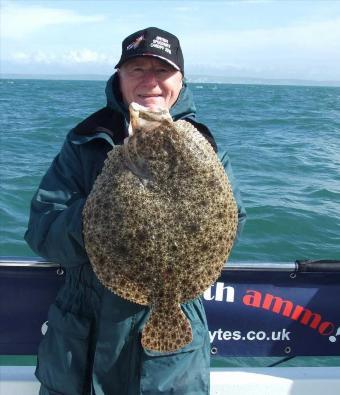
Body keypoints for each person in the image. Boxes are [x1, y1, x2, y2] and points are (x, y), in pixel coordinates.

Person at [25, 27, 246, 395]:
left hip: (170, 356)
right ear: (119, 77)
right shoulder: (85, 140)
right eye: (137, 69)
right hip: (82, 341)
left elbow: (230, 224)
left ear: (181, 79)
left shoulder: (203, 145)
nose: (151, 82)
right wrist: (101, 218)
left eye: (162, 70)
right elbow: (42, 231)